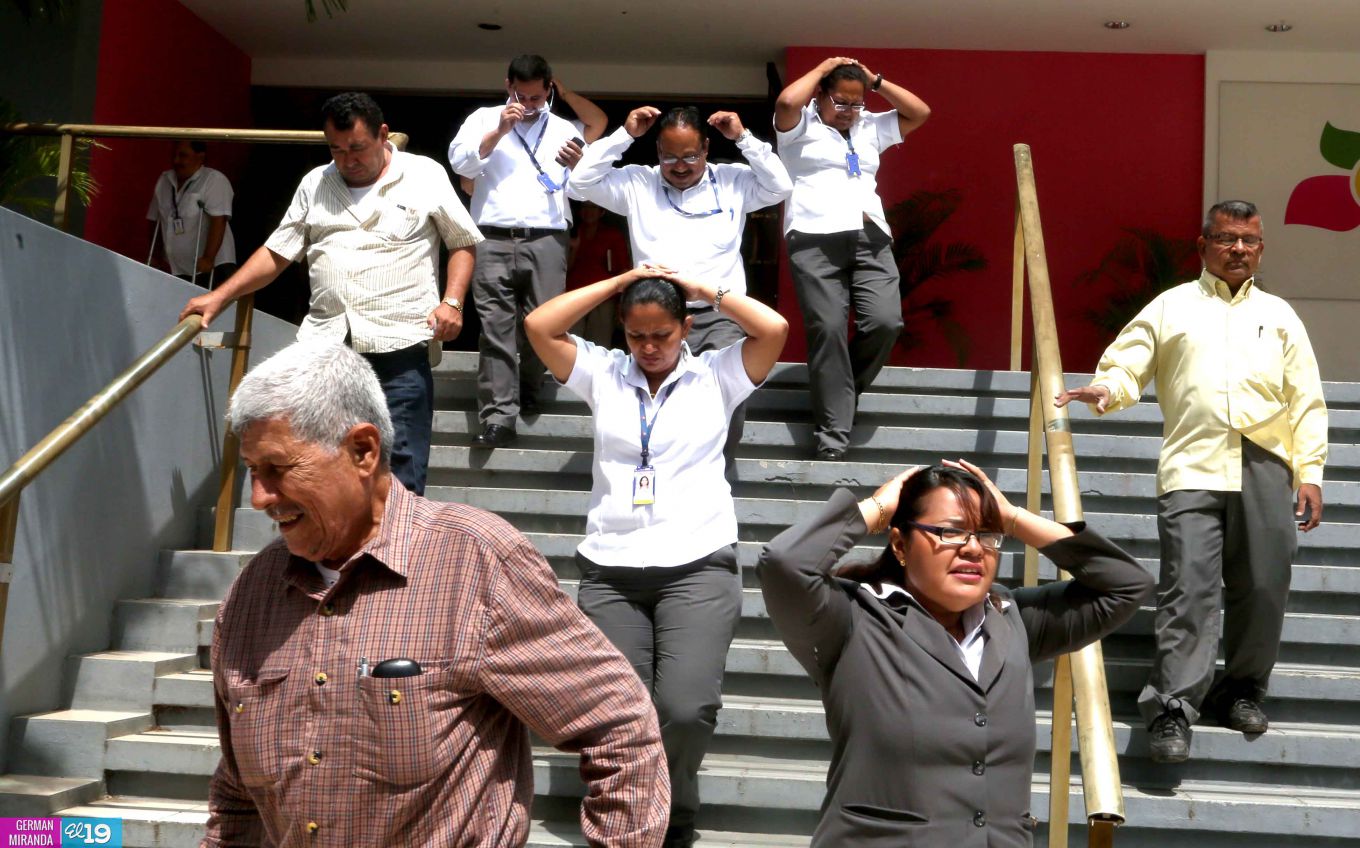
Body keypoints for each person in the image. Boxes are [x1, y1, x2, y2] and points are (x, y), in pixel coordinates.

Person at [203, 339, 669, 847]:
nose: (259, 498)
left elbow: (621, 728)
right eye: (252, 470)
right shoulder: (251, 596)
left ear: (363, 451)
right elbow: (237, 797)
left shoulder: (475, 563)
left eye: (278, 469)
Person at [523, 264, 789, 847]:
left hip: (698, 564)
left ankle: (672, 806)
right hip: (612, 570)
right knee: (623, 711)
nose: (648, 348)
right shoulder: (603, 372)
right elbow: (540, 325)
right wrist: (619, 282)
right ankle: (638, 818)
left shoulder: (716, 374)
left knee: (686, 707)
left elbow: (773, 329)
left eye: (661, 335)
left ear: (685, 328)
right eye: (636, 335)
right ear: (622, 330)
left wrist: (707, 289)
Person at [1056, 200, 1328, 764]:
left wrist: (1311, 472)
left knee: (1265, 584)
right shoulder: (1172, 306)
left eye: (1249, 241)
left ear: (1261, 248)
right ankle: (1173, 708)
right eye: (1227, 239)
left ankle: (1243, 689)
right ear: (1203, 244)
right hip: (1193, 466)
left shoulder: (1279, 315)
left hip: (1266, 463)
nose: (1238, 250)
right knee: (1189, 589)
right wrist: (1108, 390)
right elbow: (1129, 363)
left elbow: (1306, 400)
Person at [757, 461, 1153, 846]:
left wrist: (1012, 517)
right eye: (950, 532)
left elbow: (1127, 586)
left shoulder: (1013, 620)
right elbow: (784, 564)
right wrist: (876, 509)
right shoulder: (852, 619)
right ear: (899, 544)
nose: (973, 550)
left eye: (987, 535)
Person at [180, 92, 481, 496]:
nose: (347, 160)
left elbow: (461, 242)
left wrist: (453, 302)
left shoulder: (424, 174)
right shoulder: (315, 183)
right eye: (336, 149)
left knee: (401, 471)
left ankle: (389, 557)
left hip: (400, 346)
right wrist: (221, 296)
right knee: (325, 466)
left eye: (357, 148)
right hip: (328, 351)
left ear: (383, 135)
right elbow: (278, 252)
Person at [568, 104, 792, 467]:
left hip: (720, 316)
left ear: (705, 148)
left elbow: (780, 186)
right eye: (670, 158)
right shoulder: (638, 182)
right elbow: (579, 184)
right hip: (658, 321)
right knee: (659, 402)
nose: (681, 166)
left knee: (725, 400)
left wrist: (744, 139)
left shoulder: (733, 180)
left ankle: (716, 472)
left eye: (690, 156)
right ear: (658, 153)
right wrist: (625, 135)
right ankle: (663, 471)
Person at [774, 56, 931, 461]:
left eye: (856, 103)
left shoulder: (870, 126)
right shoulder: (799, 127)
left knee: (885, 321)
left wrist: (875, 80)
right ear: (822, 96)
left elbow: (920, 112)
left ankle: (839, 392)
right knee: (826, 327)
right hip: (813, 238)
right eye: (840, 102)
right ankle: (832, 436)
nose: (849, 111)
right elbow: (788, 102)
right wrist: (824, 65)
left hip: (870, 236)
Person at [448, 54, 608, 448]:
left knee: (544, 322)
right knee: (495, 328)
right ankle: (499, 416)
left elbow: (597, 131)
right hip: (492, 234)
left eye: (538, 97)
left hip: (547, 235)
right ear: (509, 87)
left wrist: (579, 162)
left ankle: (531, 387)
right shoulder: (484, 118)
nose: (531, 105)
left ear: (548, 89)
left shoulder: (563, 128)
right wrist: (499, 131)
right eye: (524, 96)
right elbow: (460, 162)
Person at [147, 140, 236, 286]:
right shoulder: (165, 180)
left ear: (200, 157)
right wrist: (155, 256)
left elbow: (219, 220)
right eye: (174, 155)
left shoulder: (213, 180)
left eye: (183, 156)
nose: (176, 161)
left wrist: (208, 258)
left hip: (211, 268)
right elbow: (154, 220)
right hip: (178, 268)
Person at [566, 201, 631, 347]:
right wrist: (574, 249)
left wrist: (621, 301)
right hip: (575, 294)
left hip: (604, 297)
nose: (588, 211)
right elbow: (564, 268)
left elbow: (623, 270)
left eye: (593, 207)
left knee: (599, 343)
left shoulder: (613, 235)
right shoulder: (572, 232)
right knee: (571, 342)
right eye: (584, 207)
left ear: (602, 212)